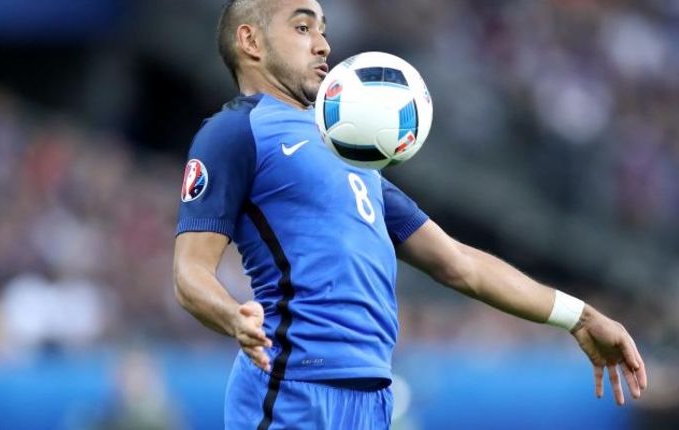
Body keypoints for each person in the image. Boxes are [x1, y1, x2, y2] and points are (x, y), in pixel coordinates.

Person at [172, 0, 648, 428]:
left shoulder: (349, 155)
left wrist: (580, 317)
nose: (323, 44)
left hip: (373, 396)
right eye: (302, 28)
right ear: (250, 41)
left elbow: (460, 265)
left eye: (323, 29)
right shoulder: (235, 132)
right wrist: (233, 317)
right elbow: (190, 271)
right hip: (293, 387)